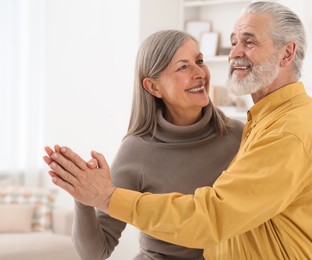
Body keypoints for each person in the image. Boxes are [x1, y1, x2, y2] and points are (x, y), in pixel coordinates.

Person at [44, 2, 312, 259]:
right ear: (153, 86)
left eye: (249, 41)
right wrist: (88, 195)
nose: (233, 53)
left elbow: (213, 217)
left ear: (286, 54)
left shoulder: (278, 132)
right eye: (234, 41)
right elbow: (98, 247)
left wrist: (107, 196)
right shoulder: (263, 123)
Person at [44, 29, 244, 260]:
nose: (200, 72)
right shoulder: (137, 150)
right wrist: (84, 198)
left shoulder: (238, 136)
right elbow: (95, 252)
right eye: (183, 67)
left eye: (199, 61)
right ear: (153, 87)